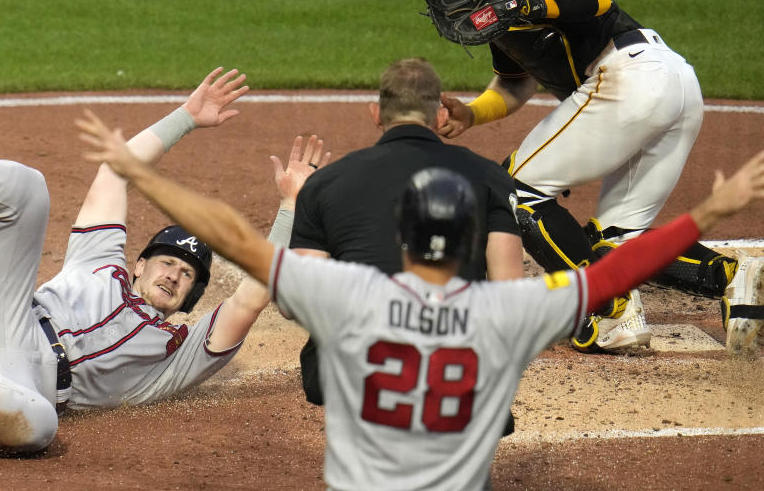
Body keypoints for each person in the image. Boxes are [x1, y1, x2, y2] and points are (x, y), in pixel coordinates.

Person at [76, 108, 764, 491]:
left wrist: (142, 172)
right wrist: (707, 212)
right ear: (469, 235)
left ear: (403, 233)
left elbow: (233, 237)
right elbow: (616, 274)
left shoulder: (349, 296)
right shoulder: (508, 310)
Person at [0, 67, 326, 453]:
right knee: (27, 190)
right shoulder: (101, 261)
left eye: (188, 274)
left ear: (192, 298)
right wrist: (187, 118)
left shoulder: (179, 352)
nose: (175, 273)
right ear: (140, 263)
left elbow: (253, 293)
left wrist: (290, 207)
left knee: (39, 425)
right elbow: (116, 172)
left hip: (16, 385)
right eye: (168, 261)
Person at [384, 0, 761, 353]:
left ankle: (609, 308)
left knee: (513, 193)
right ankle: (734, 276)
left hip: (630, 76)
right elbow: (515, 81)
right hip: (666, 86)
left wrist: (523, 6)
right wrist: (472, 113)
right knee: (617, 242)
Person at [290, 57, 522, 406]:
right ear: (441, 116)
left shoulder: (323, 183)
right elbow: (510, 298)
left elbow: (298, 303)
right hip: (452, 374)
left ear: (376, 114)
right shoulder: (491, 177)